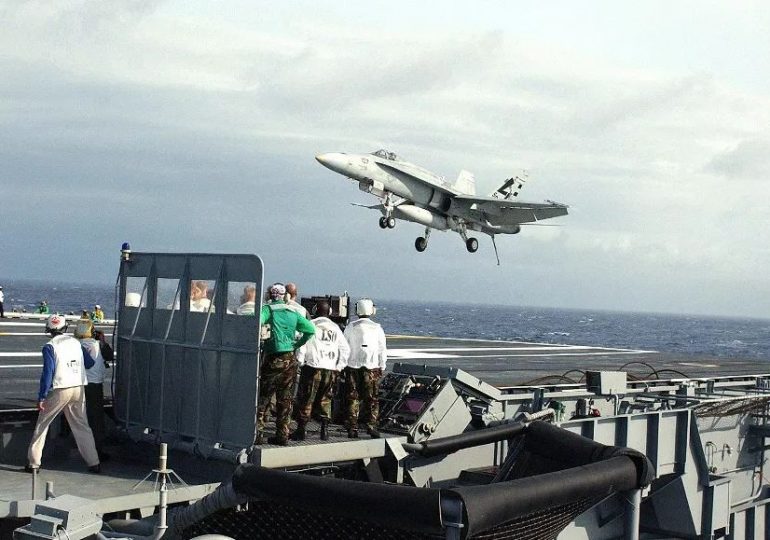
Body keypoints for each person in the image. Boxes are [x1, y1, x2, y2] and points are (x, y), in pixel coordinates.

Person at [27, 315, 100, 473]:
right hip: (79, 388)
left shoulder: (49, 346)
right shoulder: (75, 342)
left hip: (61, 388)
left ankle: (34, 463)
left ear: (49, 329)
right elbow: (90, 363)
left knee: (42, 425)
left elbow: (47, 373)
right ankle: (94, 462)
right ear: (64, 328)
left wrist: (41, 396)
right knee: (82, 426)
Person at [256, 283, 315, 446]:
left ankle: (258, 433)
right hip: (290, 359)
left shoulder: (268, 310)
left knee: (263, 397)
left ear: (270, 295)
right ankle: (282, 435)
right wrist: (296, 344)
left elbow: (256, 323)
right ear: (286, 296)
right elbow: (310, 330)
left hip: (273, 357)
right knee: (286, 399)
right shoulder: (293, 312)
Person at [291, 301, 350, 441]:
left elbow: (302, 346)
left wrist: (300, 362)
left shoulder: (311, 325)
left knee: (306, 398)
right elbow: (345, 349)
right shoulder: (335, 328)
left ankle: (301, 430)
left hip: (312, 368)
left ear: (314, 310)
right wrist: (339, 367)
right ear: (329, 312)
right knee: (326, 400)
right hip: (330, 369)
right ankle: (325, 431)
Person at [343, 298, 387, 439]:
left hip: (353, 367)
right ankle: (371, 426)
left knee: (353, 398)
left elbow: (344, 346)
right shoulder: (377, 328)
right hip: (372, 367)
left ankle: (352, 427)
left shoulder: (351, 326)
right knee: (372, 399)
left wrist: (343, 364)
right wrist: (382, 365)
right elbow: (382, 349)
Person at [75, 320, 110, 460]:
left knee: (81, 418)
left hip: (79, 384)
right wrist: (103, 341)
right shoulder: (98, 345)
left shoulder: (75, 345)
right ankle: (97, 451)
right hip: (94, 386)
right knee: (96, 420)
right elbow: (109, 356)